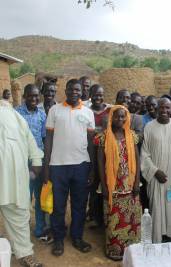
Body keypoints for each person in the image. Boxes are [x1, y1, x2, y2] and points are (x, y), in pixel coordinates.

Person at [44, 79, 95, 256]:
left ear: (82, 92)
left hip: (81, 165)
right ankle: (58, 239)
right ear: (65, 90)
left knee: (79, 205)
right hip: (58, 166)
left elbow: (90, 142)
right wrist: (46, 167)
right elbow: (48, 140)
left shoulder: (88, 113)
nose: (74, 92)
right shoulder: (54, 110)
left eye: (77, 90)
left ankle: (77, 237)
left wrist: (92, 169)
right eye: (71, 89)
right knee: (58, 206)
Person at [0, 100, 44, 267]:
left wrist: (35, 166)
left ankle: (24, 253)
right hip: (14, 179)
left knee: (18, 216)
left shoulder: (17, 118)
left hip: (13, 179)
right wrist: (36, 165)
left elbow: (33, 147)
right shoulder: (18, 116)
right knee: (19, 216)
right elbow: (35, 152)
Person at [95, 105, 141, 260]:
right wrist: (105, 185)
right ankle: (114, 250)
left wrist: (136, 183)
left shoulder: (132, 135)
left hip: (129, 184)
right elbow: (100, 163)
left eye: (123, 116)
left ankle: (132, 250)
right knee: (114, 217)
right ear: (110, 118)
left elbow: (137, 160)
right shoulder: (104, 137)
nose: (120, 119)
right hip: (112, 185)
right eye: (116, 116)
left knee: (131, 218)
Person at [141, 98, 171, 243]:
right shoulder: (149, 127)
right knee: (157, 210)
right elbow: (145, 154)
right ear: (157, 109)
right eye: (161, 108)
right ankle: (157, 241)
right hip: (156, 178)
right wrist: (154, 171)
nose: (164, 111)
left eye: (167, 108)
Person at [15, 84, 51, 243]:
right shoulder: (16, 113)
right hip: (21, 161)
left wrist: (44, 164)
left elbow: (44, 139)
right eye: (31, 96)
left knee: (39, 195)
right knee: (23, 198)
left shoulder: (42, 114)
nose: (34, 99)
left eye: (37, 96)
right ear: (24, 96)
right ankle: (20, 232)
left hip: (39, 162)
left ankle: (40, 229)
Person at [87, 84, 110, 228]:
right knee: (93, 186)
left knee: (106, 185)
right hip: (89, 154)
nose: (98, 97)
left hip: (106, 154)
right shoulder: (86, 112)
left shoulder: (109, 112)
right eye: (95, 94)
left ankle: (105, 216)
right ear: (90, 95)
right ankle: (95, 216)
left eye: (100, 94)